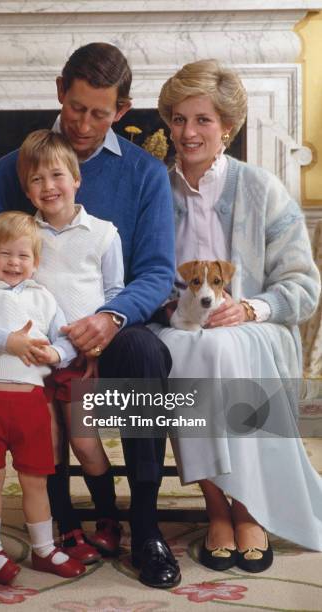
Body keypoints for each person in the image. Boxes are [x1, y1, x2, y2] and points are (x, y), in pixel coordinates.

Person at [0, 43, 179, 588]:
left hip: (110, 323)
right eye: (76, 106)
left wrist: (111, 317)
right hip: (25, 325)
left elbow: (155, 274)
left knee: (146, 351)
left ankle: (145, 524)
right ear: (60, 90)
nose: (83, 123)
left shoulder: (145, 174)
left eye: (99, 113)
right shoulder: (16, 166)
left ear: (121, 111)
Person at [150, 59, 322, 573]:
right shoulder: (154, 189)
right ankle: (218, 504)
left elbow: (304, 287)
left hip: (257, 330)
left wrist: (249, 306)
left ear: (228, 126)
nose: (188, 132)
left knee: (220, 346)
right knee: (195, 346)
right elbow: (138, 274)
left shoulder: (261, 188)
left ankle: (247, 508)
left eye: (203, 120)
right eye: (179, 119)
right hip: (180, 328)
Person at [0, 211, 85, 583]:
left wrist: (55, 355)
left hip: (30, 405)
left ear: (36, 262)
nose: (14, 262)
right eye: (4, 254)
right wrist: (9, 342)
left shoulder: (44, 298)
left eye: (23, 256)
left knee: (35, 479)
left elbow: (65, 339)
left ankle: (44, 549)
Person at [17, 128, 124, 564]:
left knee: (84, 441)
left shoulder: (102, 234)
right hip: (37, 360)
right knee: (51, 443)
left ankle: (108, 518)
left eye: (57, 176)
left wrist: (99, 343)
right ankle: (67, 525)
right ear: (27, 189)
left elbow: (117, 293)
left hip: (82, 357)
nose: (48, 187)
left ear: (76, 179)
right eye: (37, 180)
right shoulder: (25, 236)